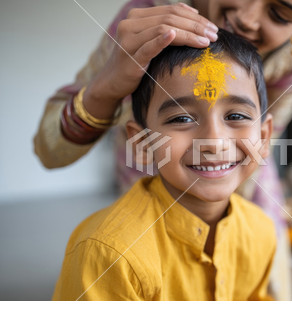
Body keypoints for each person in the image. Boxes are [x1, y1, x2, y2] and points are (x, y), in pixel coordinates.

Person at [35, 0, 292, 300]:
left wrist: (232, 228)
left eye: (279, 14)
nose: (247, 19)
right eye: (181, 116)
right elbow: (49, 150)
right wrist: (108, 85)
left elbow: (257, 142)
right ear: (139, 141)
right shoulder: (145, 18)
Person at [53, 29, 276, 301]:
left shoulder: (259, 230)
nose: (214, 142)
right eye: (181, 119)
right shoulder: (109, 254)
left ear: (263, 137)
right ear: (143, 143)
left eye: (236, 115)